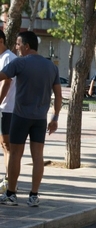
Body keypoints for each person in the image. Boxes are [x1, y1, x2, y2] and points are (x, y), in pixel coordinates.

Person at [0, 31, 62, 207]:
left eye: (18, 44)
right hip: (40, 120)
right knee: (37, 157)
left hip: (20, 117)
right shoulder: (51, 67)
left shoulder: (19, 63)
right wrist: (55, 117)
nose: (16, 48)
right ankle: (33, 196)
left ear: (26, 46)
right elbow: (58, 95)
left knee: (15, 156)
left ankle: (11, 194)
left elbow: (2, 77)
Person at [0, 30, 17, 193]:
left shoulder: (7, 58)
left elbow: (6, 83)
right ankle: (7, 179)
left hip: (7, 108)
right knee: (5, 146)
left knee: (8, 146)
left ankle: (9, 181)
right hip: (4, 109)